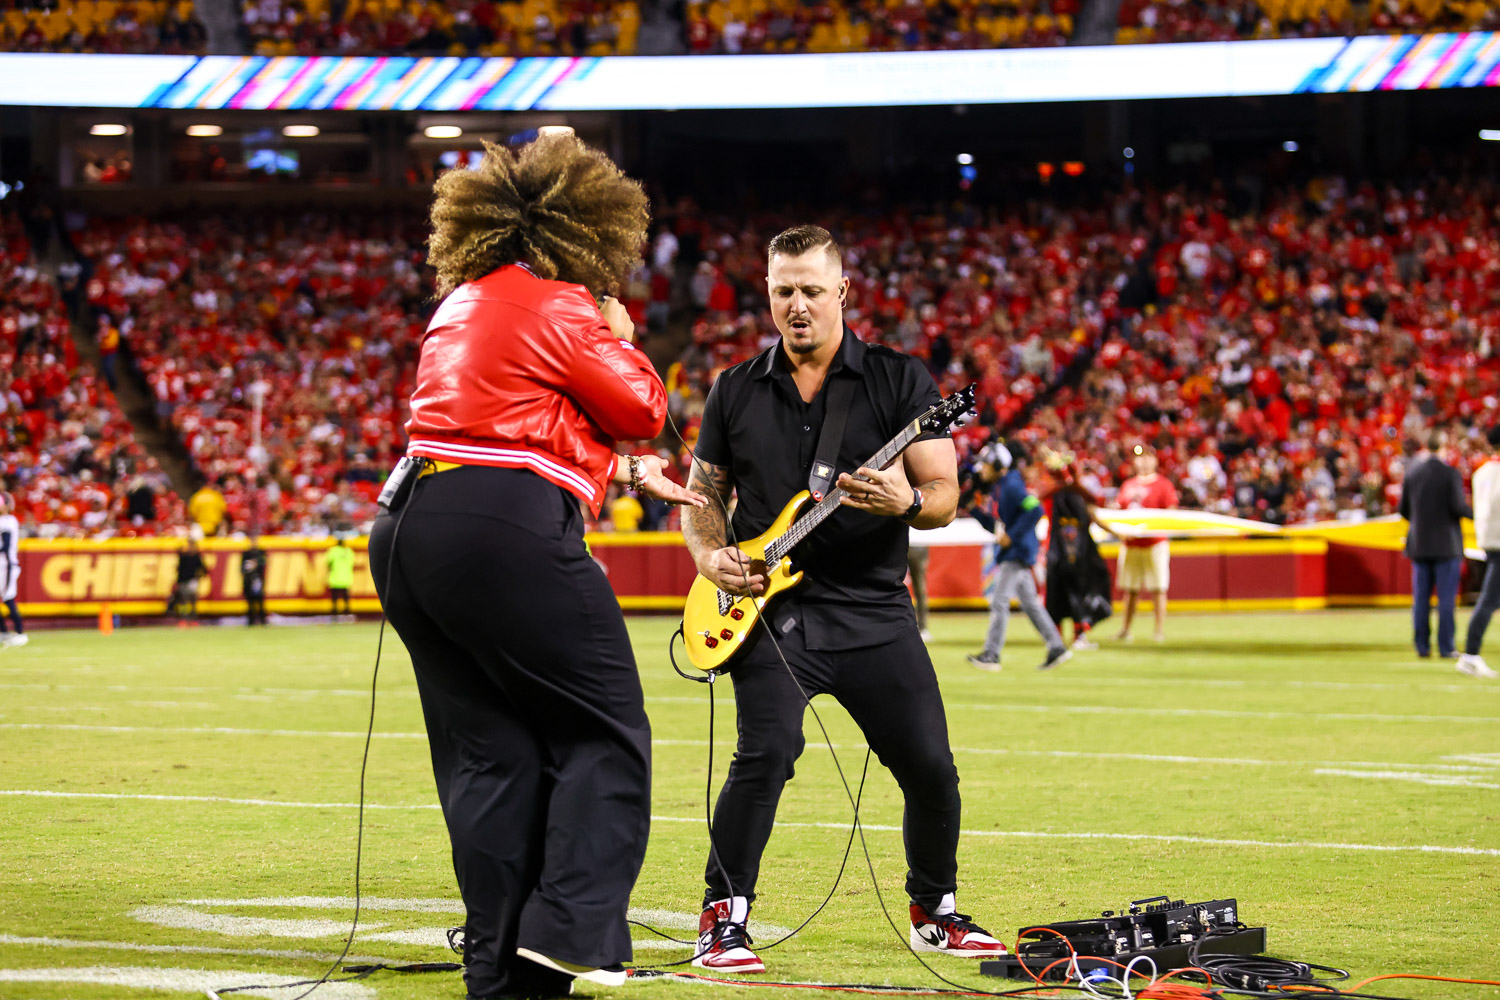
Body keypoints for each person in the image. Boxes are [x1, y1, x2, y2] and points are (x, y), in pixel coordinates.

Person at [367, 133, 704, 1000]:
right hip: (503, 531)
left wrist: (619, 473)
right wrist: (622, 334)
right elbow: (640, 405)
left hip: (409, 528)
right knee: (606, 731)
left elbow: (504, 420)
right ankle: (565, 932)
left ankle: (497, 968)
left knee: (493, 757)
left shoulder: (462, 298)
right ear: (583, 231)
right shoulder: (562, 306)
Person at [682, 225, 1006, 975]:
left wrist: (906, 501)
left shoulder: (898, 379)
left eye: (811, 291)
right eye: (783, 291)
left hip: (873, 610)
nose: (798, 306)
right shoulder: (734, 387)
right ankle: (722, 919)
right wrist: (707, 554)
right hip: (771, 610)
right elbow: (704, 492)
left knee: (930, 766)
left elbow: (944, 495)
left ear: (842, 294)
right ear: (767, 294)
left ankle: (937, 910)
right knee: (764, 755)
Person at [964, 442, 1072, 672]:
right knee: (1031, 603)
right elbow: (999, 527)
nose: (981, 469)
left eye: (985, 464)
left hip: (1017, 551)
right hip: (1016, 549)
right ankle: (1056, 646)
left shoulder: (1011, 485)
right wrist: (974, 510)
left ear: (997, 464)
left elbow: (1035, 509)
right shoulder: (1001, 485)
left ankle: (992, 654)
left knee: (1000, 601)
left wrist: (1012, 537)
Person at [1400, 435, 1471, 660]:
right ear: (1443, 447)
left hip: (1419, 544)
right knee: (1446, 599)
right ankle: (1446, 646)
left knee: (1420, 599)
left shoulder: (1413, 473)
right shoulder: (1450, 473)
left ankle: (1422, 646)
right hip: (1446, 545)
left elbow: (1403, 509)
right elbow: (1459, 507)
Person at [1038, 450, 1115, 651]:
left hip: (1059, 554)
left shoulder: (1054, 496)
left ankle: (1057, 636)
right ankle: (1077, 635)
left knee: (1058, 595)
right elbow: (1093, 511)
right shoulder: (1076, 495)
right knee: (1076, 593)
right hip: (1075, 556)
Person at [1113, 445, 1179, 642]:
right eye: (1140, 457)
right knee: (1130, 589)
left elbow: (1171, 512)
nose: (1143, 461)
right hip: (1131, 544)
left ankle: (1158, 630)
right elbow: (1119, 510)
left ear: (1155, 460)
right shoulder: (1128, 485)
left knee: (1158, 588)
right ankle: (1126, 629)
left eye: (1148, 457)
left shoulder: (1163, 484)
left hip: (1154, 542)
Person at [1460, 426, 1500, 678]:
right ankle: (1470, 655)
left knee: (1490, 599)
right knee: (1488, 600)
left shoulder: (1482, 471)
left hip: (1489, 539)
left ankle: (1470, 655)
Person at [0, 492, 26, 648]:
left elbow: (5, 545)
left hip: (7, 565)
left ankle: (20, 632)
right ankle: (3, 632)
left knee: (8, 598)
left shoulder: (9, 521)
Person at [171, 536, 205, 625]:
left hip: (192, 581)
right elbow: (179, 570)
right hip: (183, 581)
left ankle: (193, 619)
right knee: (184, 601)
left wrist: (198, 577)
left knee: (192, 601)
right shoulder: (183, 557)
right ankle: (184, 619)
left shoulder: (196, 557)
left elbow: (203, 568)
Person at [242, 535, 268, 626]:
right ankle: (251, 620)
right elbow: (242, 568)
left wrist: (256, 565)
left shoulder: (261, 552)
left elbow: (264, 563)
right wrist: (249, 567)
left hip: (258, 579)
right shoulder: (246, 553)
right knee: (250, 601)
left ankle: (263, 620)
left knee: (260, 601)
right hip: (249, 580)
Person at [325, 536, 354, 616]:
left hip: (335, 577)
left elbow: (329, 563)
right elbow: (352, 563)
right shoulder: (349, 551)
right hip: (346, 577)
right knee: (346, 596)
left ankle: (335, 611)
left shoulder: (333, 551)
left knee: (335, 597)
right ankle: (347, 610)